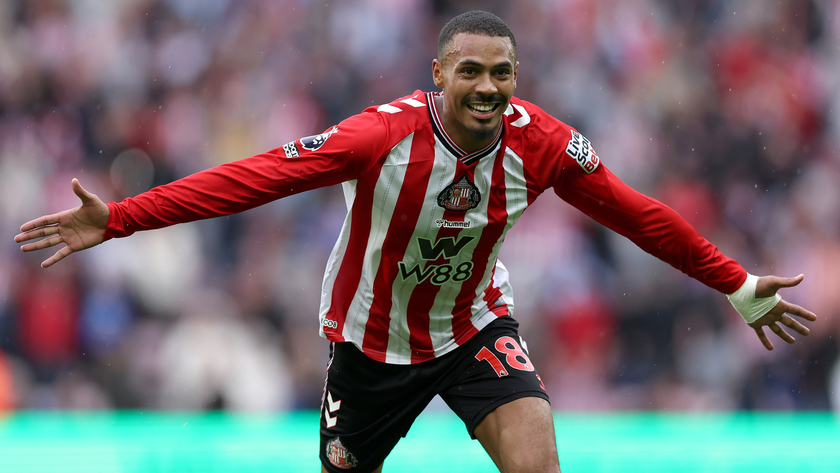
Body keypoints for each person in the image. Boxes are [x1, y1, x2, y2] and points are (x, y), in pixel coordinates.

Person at [15, 10, 816, 473]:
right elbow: (252, 178)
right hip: (368, 342)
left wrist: (735, 282)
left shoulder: (542, 145)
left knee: (539, 464)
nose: (489, 88)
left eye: (503, 73)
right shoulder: (379, 138)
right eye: (471, 71)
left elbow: (638, 213)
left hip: (474, 329)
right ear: (439, 73)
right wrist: (118, 218)